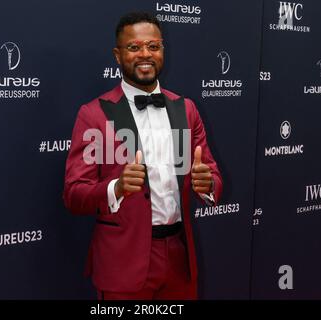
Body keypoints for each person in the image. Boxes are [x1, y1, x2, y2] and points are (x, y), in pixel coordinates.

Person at [63, 12, 222, 300]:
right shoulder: (94, 115)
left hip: (179, 260)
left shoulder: (186, 109)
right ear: (117, 54)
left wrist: (207, 183)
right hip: (123, 263)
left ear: (163, 50)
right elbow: (74, 194)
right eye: (134, 47)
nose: (145, 54)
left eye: (153, 46)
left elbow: (211, 175)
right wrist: (117, 188)